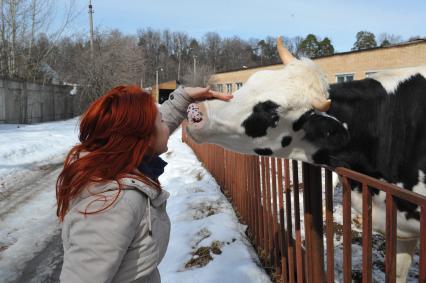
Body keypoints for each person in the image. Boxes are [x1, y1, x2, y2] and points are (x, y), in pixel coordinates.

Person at [56, 85, 232, 283]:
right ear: (143, 137)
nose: (167, 124)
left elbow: (152, 125)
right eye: (161, 121)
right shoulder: (114, 203)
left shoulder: (121, 163)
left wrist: (184, 97)